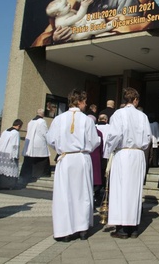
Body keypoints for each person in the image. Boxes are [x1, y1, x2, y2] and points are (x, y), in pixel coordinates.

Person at [46, 89, 101, 242]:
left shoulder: (58, 119)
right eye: (85, 101)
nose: (86, 104)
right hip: (82, 158)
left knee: (65, 194)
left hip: (66, 159)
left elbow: (50, 139)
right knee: (82, 193)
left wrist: (60, 148)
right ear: (79, 101)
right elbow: (94, 141)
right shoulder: (87, 120)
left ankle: (65, 231)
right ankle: (82, 229)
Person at [104, 87, 151, 239]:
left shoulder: (119, 114)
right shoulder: (142, 116)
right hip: (138, 154)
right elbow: (148, 137)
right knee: (134, 191)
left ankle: (122, 228)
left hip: (123, 153)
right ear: (135, 100)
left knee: (121, 190)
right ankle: (134, 227)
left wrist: (108, 152)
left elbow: (115, 135)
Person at [19, 109, 50, 186]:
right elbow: (44, 132)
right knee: (42, 157)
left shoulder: (31, 121)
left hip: (30, 143)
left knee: (29, 159)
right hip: (38, 142)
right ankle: (41, 173)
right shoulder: (42, 121)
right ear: (42, 114)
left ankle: (27, 175)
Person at [0, 119, 23, 190]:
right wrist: (15, 155)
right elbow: (15, 145)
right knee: (10, 169)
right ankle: (8, 185)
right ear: (19, 126)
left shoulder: (6, 131)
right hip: (9, 154)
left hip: (0, 152)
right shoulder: (15, 133)